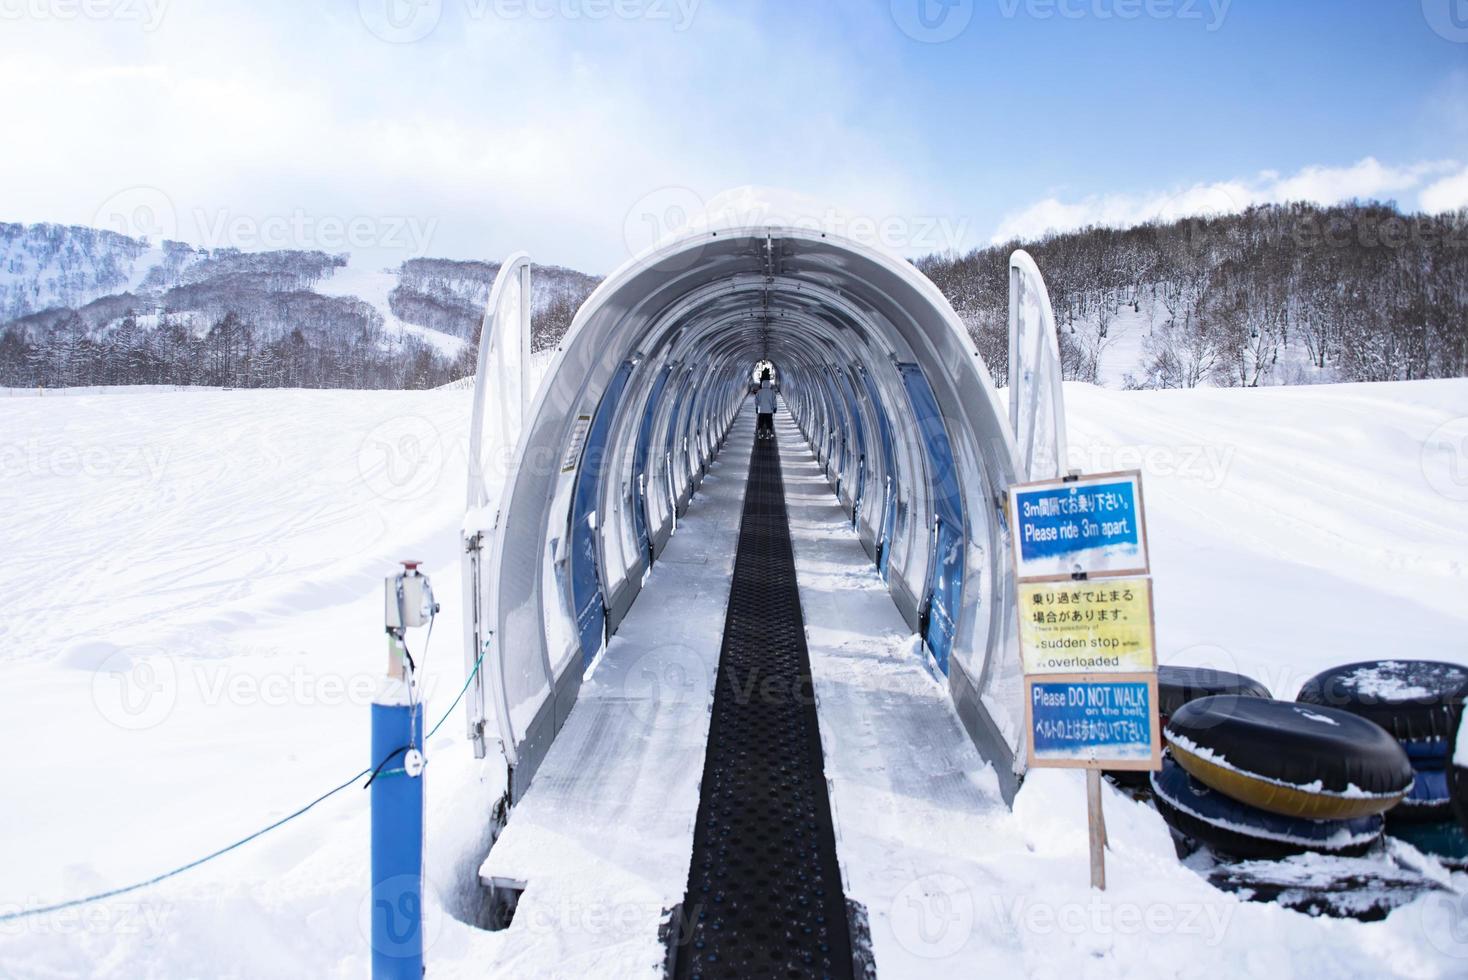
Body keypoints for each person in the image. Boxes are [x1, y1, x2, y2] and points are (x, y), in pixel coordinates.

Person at [755, 369, 776, 440]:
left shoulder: (759, 392)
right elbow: (774, 401)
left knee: (761, 421)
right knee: (769, 422)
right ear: (769, 384)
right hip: (769, 411)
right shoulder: (772, 392)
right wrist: (775, 408)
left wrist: (756, 408)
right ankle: (769, 431)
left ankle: (759, 431)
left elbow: (756, 400)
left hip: (761, 410)